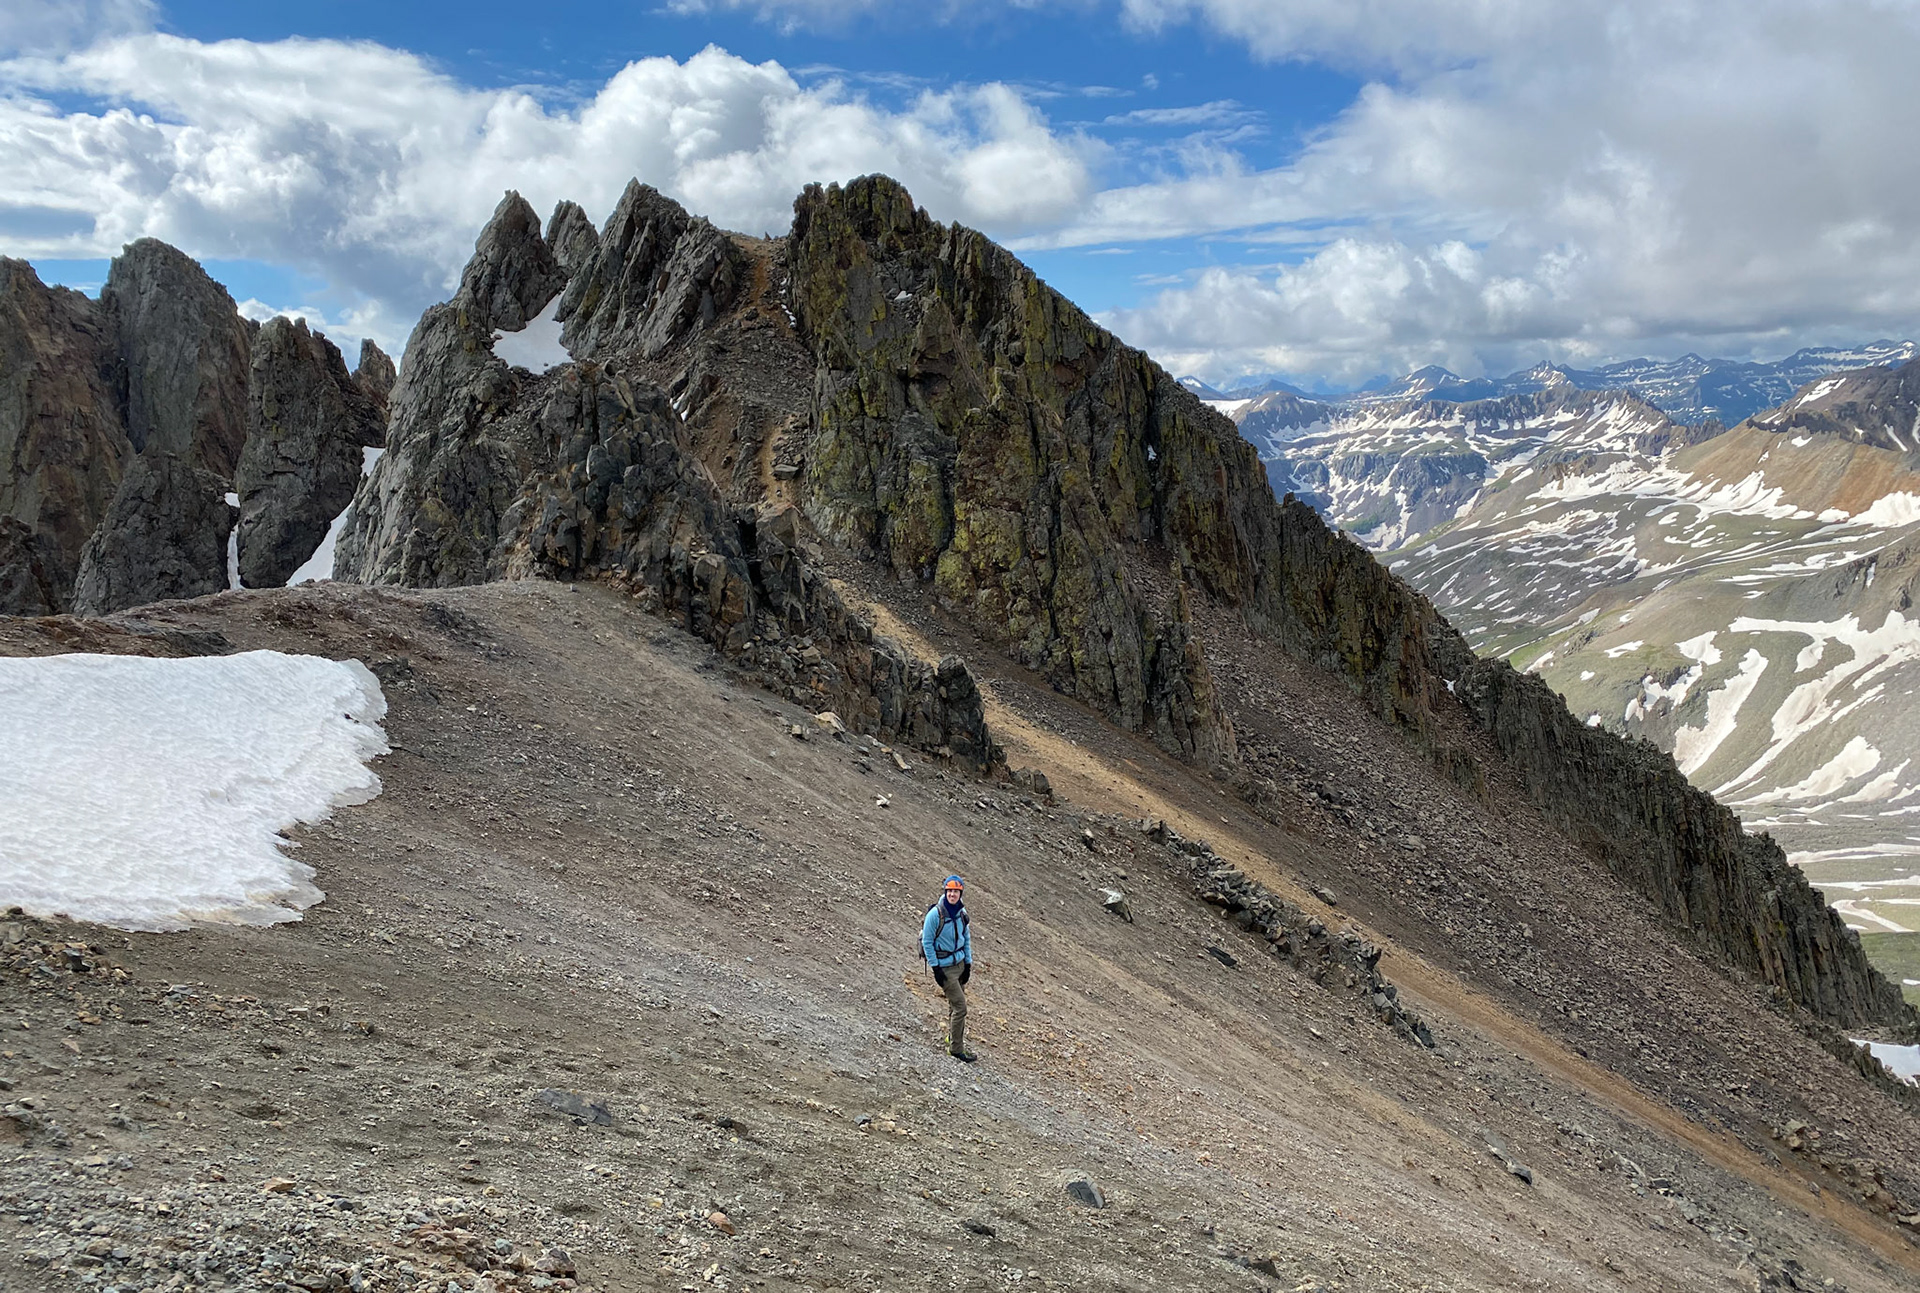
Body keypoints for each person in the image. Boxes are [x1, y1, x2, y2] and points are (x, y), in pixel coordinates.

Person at [922, 874, 975, 1062]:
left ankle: (953, 1038)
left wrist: (968, 963)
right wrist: (936, 969)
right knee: (960, 1007)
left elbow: (966, 938)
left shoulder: (961, 913)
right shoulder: (935, 915)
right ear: (945, 892)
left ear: (960, 893)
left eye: (956, 891)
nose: (952, 894)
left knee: (955, 1005)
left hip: (959, 964)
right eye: (950, 891)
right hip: (945, 968)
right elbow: (927, 942)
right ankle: (956, 1049)